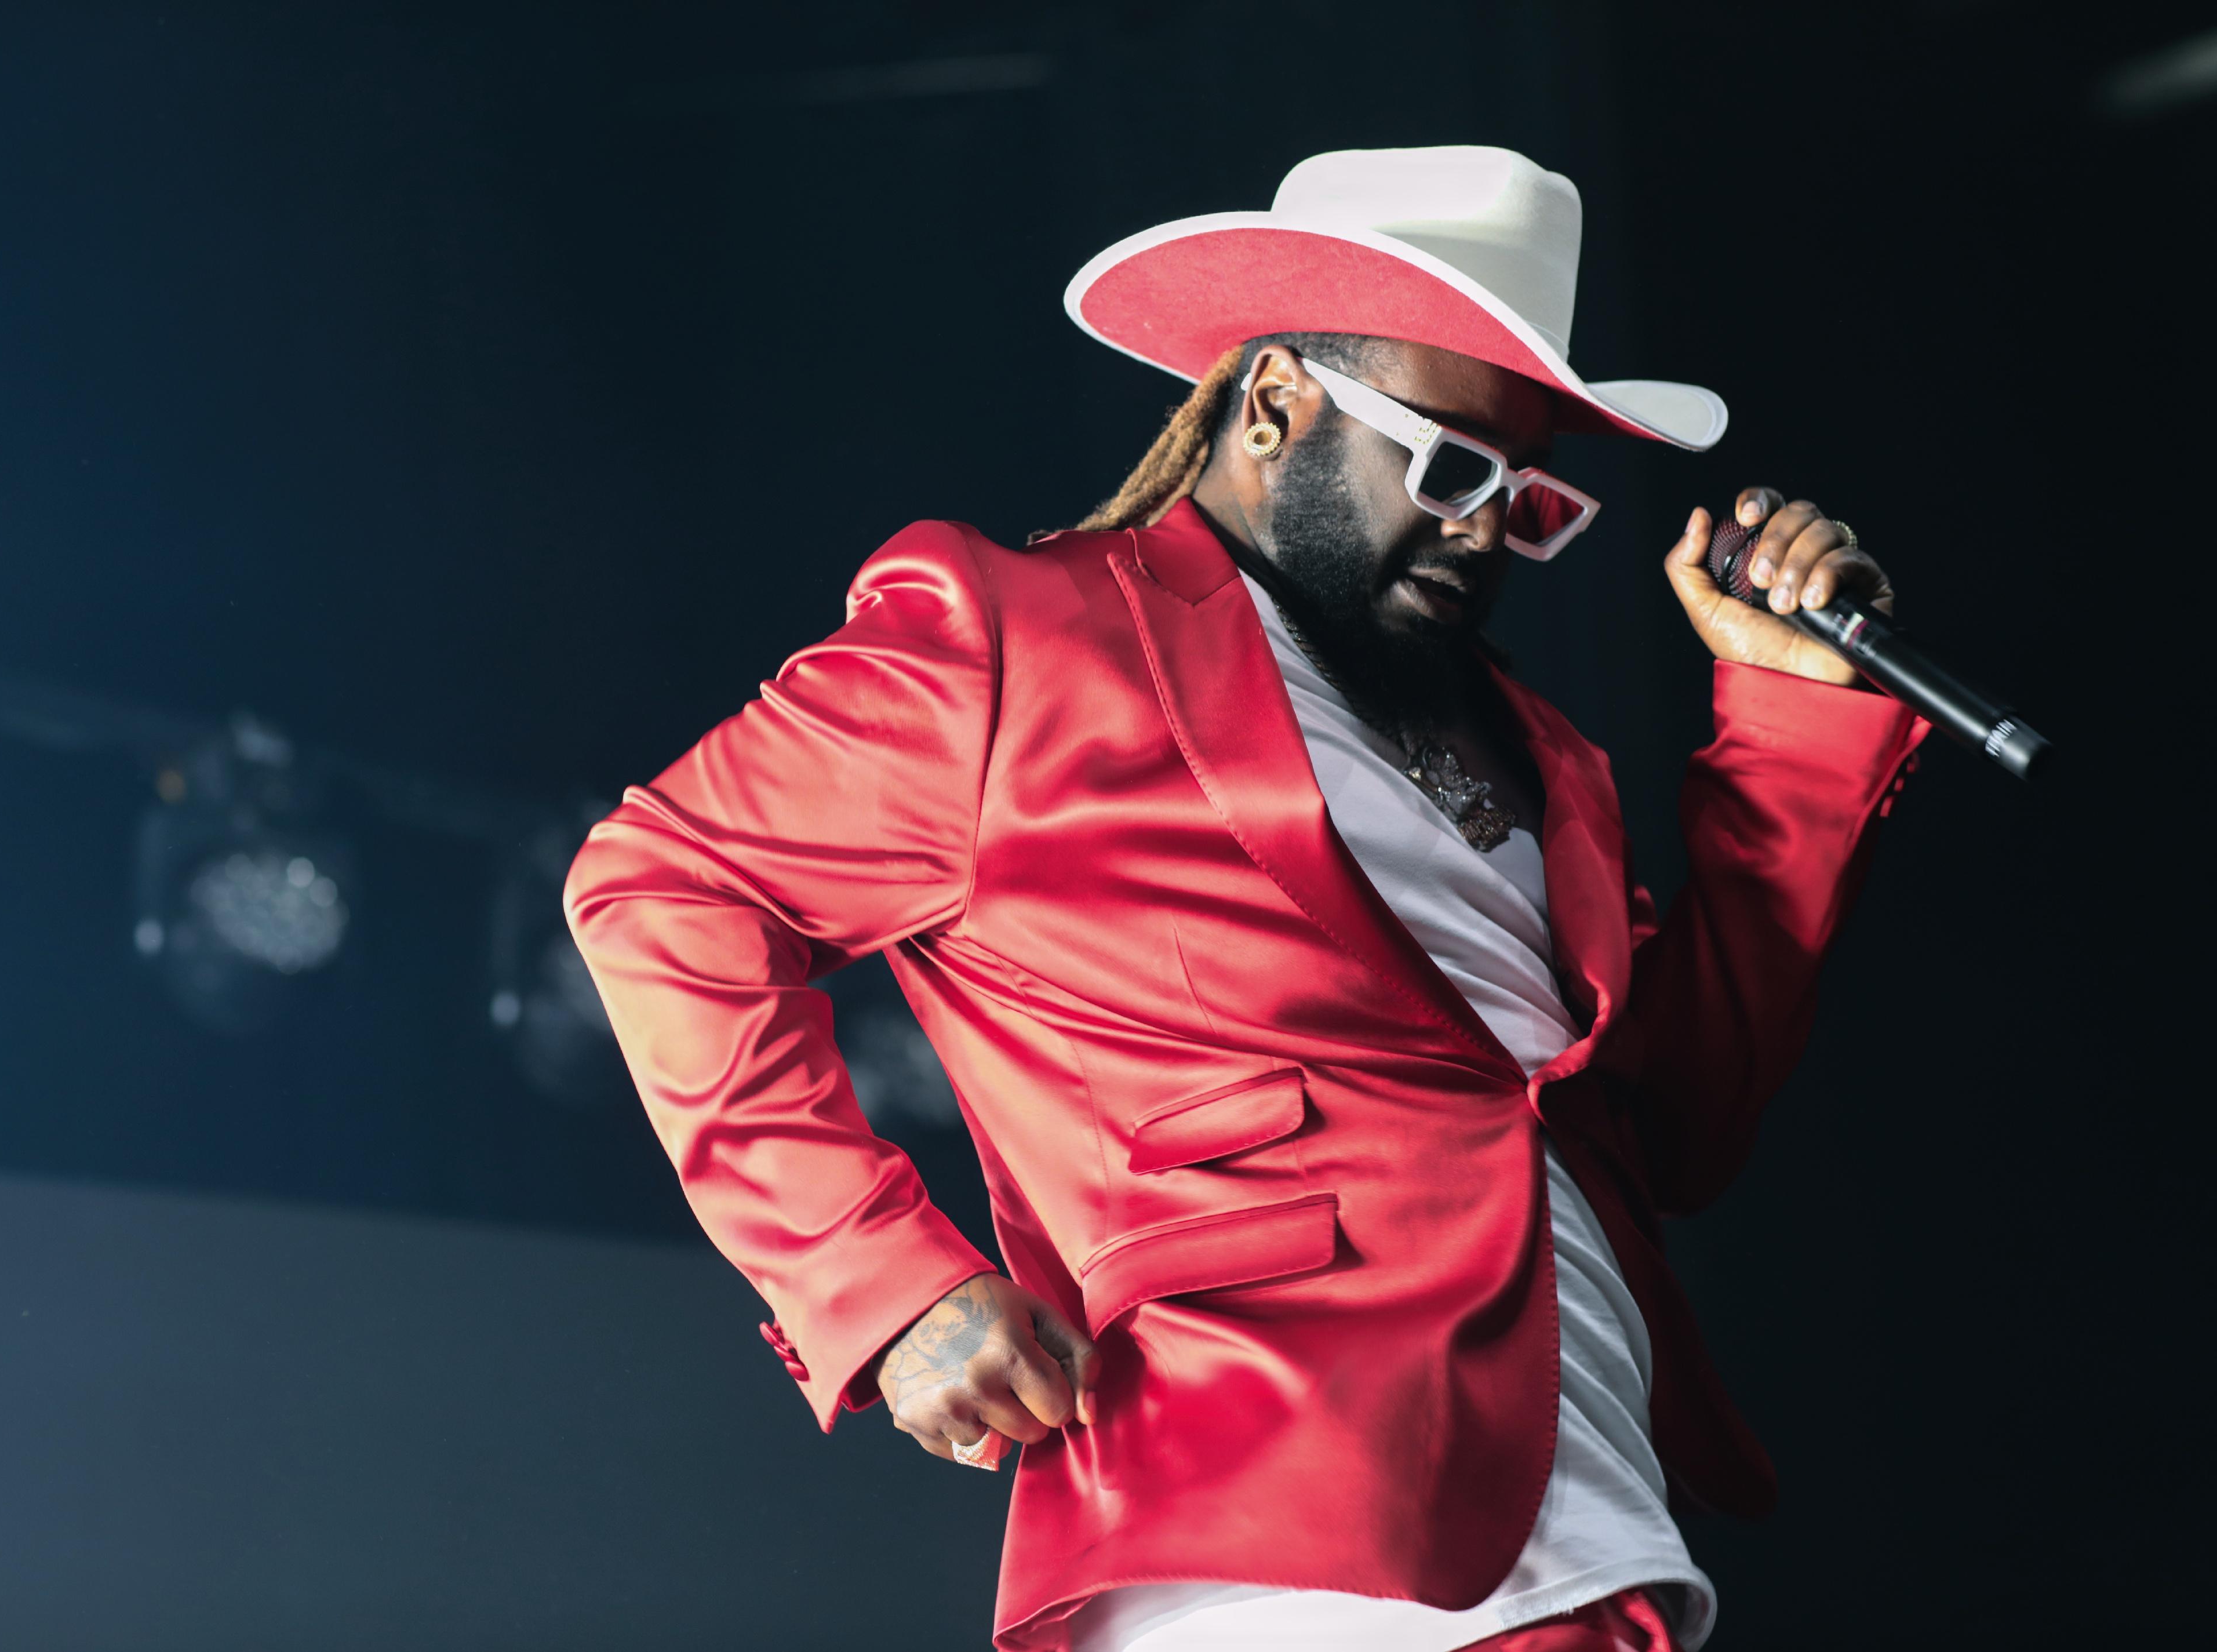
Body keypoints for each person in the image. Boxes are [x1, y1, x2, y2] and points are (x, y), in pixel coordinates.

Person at [564, 147, 1927, 1652]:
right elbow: (662, 882)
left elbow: (1671, 1123)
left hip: (1589, 1525)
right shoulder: (1024, 638)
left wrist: (1791, 729)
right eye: (1451, 466)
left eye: (1524, 499)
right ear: (1274, 402)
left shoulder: (1543, 756)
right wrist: (881, 1285)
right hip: (1278, 1533)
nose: (1482, 530)